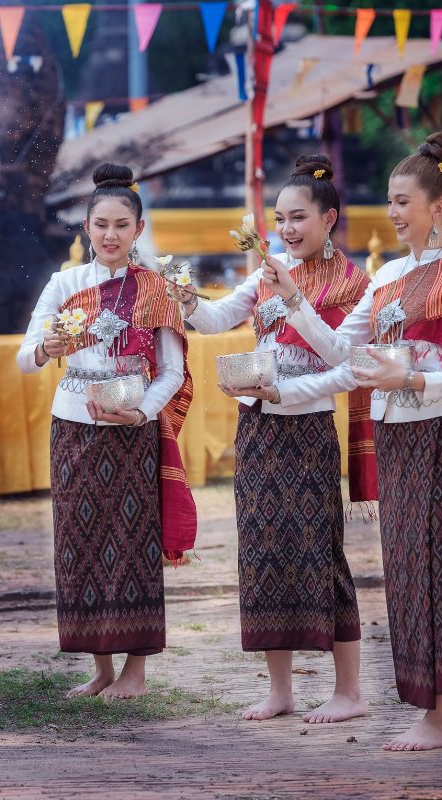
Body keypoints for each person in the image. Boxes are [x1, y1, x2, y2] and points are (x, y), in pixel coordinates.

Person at [262, 133, 442, 751]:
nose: (392, 213)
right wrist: (294, 298)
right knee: (410, 574)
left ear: (437, 206)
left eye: (402, 201)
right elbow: (341, 351)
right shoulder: (386, 276)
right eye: (389, 201)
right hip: (397, 438)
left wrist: (410, 376)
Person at [174, 155, 373, 724]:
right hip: (258, 426)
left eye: (298, 218)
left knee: (319, 553)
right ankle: (280, 689)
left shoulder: (351, 282)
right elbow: (216, 322)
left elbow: (347, 362)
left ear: (328, 217)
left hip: (307, 430)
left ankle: (350, 693)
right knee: (261, 554)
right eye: (280, 220)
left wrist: (293, 305)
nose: (286, 230)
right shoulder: (266, 270)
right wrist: (186, 299)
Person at [16, 163, 197, 700]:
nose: (110, 235)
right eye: (100, 225)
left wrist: (142, 413)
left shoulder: (157, 290)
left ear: (138, 230)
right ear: (87, 228)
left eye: (122, 225)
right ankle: (99, 667)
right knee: (81, 541)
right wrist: (47, 349)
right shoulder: (64, 283)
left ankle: (135, 673)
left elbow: (170, 372)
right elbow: (26, 358)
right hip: (72, 426)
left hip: (131, 431)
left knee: (132, 542)